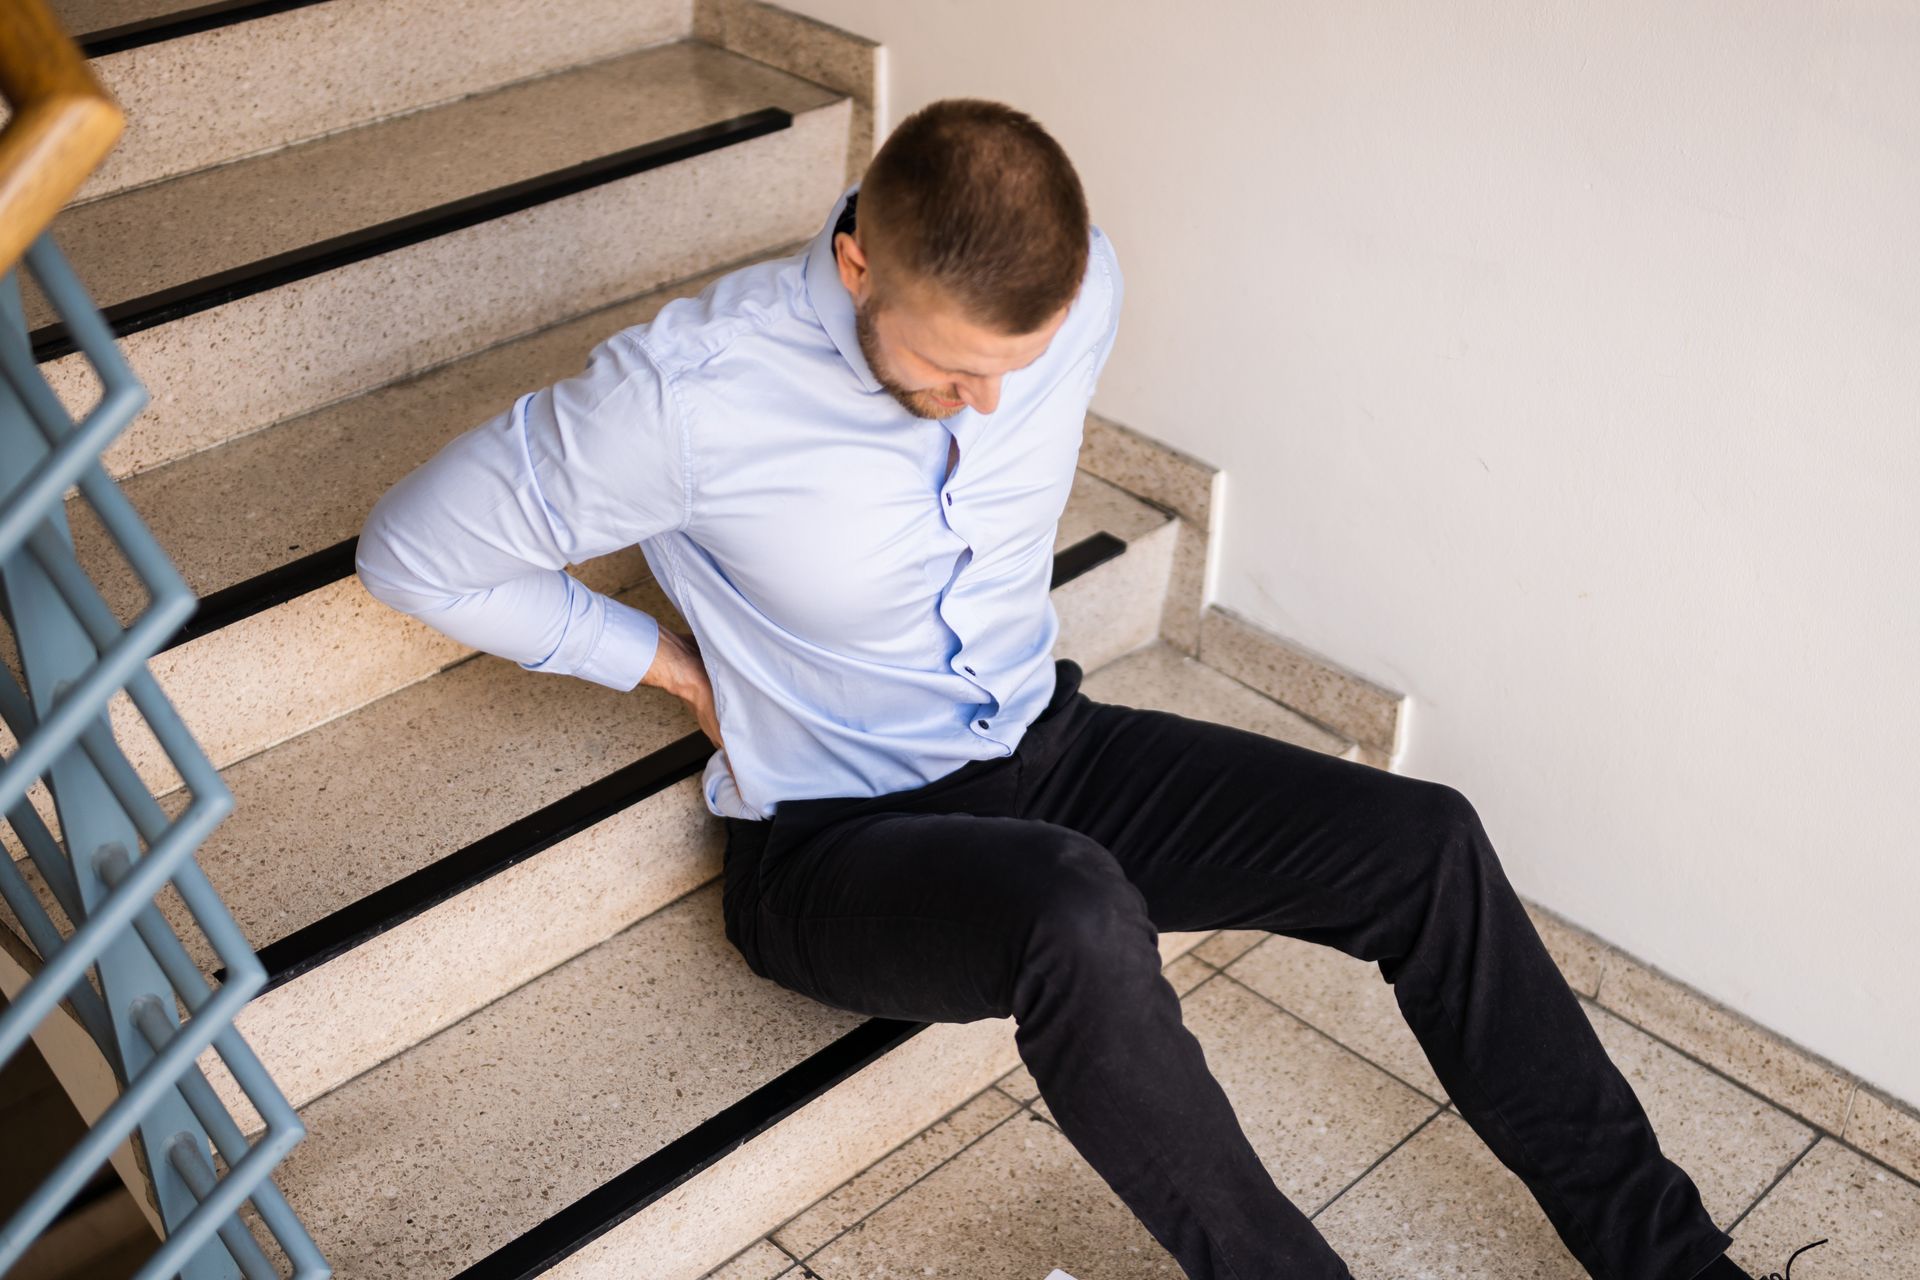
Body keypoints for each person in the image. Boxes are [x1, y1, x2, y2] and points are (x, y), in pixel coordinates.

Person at [356, 97, 1751, 1280]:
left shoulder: (1087, 291)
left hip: (1045, 740)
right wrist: (661, 664)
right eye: (949, 370)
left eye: (1013, 373)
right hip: (838, 844)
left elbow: (1009, 364)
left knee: (1423, 842)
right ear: (854, 262)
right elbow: (420, 548)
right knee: (1075, 912)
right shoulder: (686, 396)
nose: (983, 408)